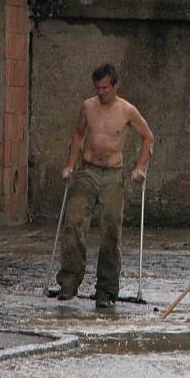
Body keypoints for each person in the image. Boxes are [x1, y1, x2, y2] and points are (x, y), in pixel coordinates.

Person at [56, 63, 154, 308]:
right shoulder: (88, 107)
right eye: (97, 88)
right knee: (74, 222)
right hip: (88, 170)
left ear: (116, 85)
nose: (101, 92)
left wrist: (140, 167)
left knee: (111, 230)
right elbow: (78, 135)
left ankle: (106, 290)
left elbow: (148, 137)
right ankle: (69, 282)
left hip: (113, 174)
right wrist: (70, 165)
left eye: (105, 88)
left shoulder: (127, 110)